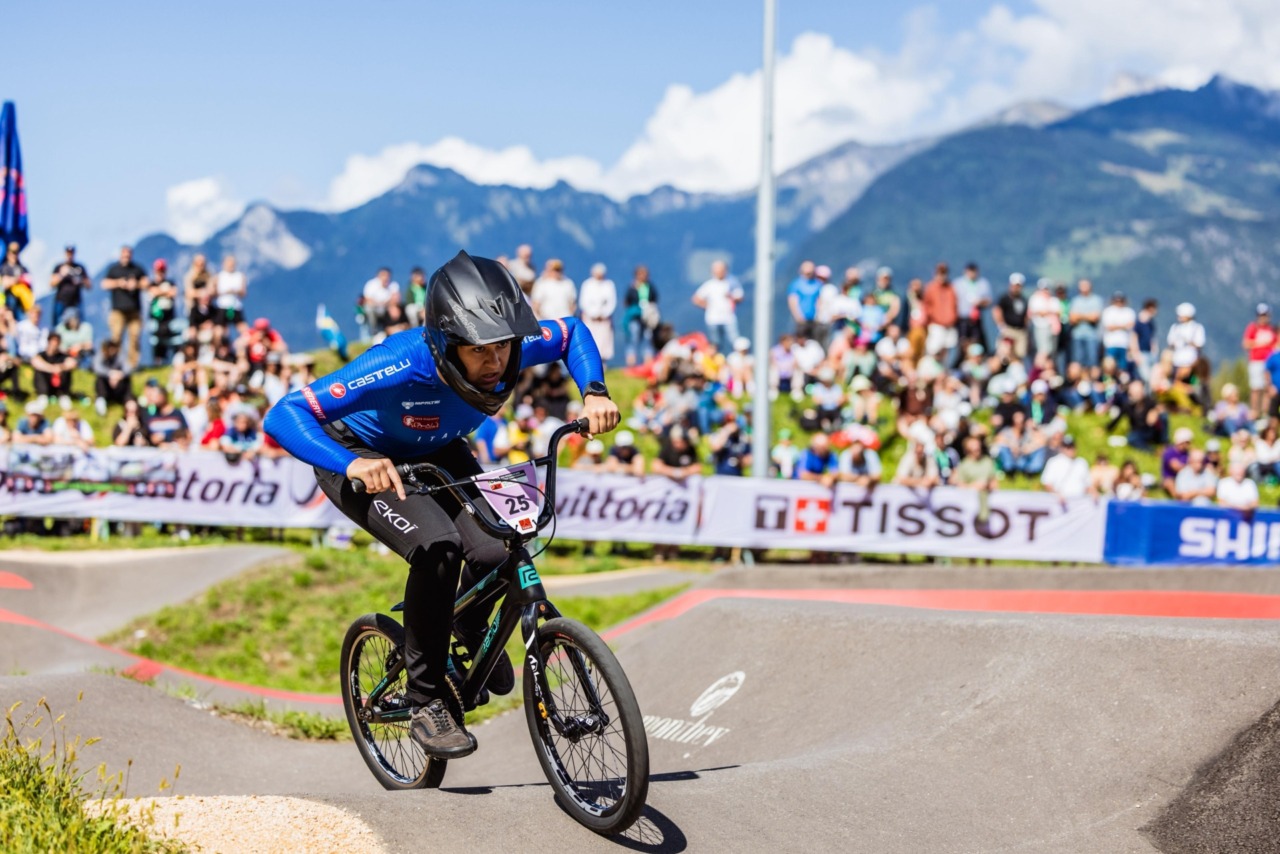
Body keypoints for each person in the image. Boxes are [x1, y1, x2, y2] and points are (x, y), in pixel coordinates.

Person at [264, 251, 619, 761]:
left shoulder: (509, 344)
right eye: (480, 351)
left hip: (441, 449)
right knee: (438, 548)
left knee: (502, 551)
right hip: (362, 457)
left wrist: (595, 391)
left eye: (504, 347)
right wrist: (350, 464)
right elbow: (285, 413)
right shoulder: (401, 361)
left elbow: (572, 333)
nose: (496, 363)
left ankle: (463, 640)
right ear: (446, 344)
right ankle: (425, 700)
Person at [102, 245, 149, 368]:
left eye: (128, 255)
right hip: (118, 311)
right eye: (124, 255)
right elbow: (104, 284)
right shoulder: (114, 269)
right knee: (116, 337)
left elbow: (147, 283)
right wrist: (119, 283)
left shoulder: (137, 269)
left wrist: (136, 284)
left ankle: (132, 366)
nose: (126, 258)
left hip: (134, 311)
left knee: (134, 337)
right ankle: (114, 363)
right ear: (120, 255)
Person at [693, 260, 743, 355]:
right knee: (715, 344)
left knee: (735, 342)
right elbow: (696, 299)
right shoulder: (709, 285)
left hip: (728, 317)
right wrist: (707, 306)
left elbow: (740, 297)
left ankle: (736, 361)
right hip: (713, 319)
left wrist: (731, 297)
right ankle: (718, 363)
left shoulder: (732, 282)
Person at [1243, 304, 1277, 418]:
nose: (1263, 318)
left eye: (1265, 315)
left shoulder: (1272, 329)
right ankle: (1254, 412)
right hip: (1256, 362)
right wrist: (1261, 343)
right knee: (1256, 388)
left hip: (1270, 362)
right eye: (1261, 315)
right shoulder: (1253, 328)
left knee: (1267, 389)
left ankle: (1265, 413)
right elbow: (1246, 344)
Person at [578, 263, 617, 362]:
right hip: (590, 319)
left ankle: (603, 363)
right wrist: (593, 314)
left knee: (604, 343)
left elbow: (612, 302)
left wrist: (604, 314)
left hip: (604, 320)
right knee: (590, 341)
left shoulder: (609, 285)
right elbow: (583, 302)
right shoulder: (587, 285)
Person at [921, 263, 959, 365]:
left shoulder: (951, 288)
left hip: (950, 325)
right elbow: (926, 306)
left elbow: (955, 305)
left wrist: (953, 319)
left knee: (949, 351)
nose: (942, 276)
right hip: (936, 325)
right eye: (940, 273)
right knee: (933, 349)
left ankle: (945, 372)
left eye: (944, 273)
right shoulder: (931, 288)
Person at [621, 265, 659, 366]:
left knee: (648, 338)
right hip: (635, 317)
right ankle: (631, 362)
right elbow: (627, 300)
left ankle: (648, 362)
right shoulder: (632, 287)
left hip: (648, 317)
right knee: (633, 338)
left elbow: (655, 298)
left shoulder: (650, 286)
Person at [953, 262, 991, 356]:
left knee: (977, 342)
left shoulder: (982, 283)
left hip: (976, 319)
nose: (972, 274)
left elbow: (989, 300)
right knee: (963, 343)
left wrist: (980, 302)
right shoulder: (958, 284)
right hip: (962, 319)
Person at [49, 244, 91, 328]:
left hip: (76, 302)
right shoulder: (59, 267)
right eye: (68, 253)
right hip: (61, 301)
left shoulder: (79, 267)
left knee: (79, 326)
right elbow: (51, 284)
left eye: (71, 253)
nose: (70, 256)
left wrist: (80, 281)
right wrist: (61, 275)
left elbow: (89, 285)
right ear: (65, 254)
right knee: (58, 326)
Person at [148, 259, 180, 365]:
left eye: (162, 270)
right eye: (158, 270)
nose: (160, 273)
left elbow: (173, 293)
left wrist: (159, 292)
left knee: (173, 338)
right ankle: (158, 362)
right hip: (156, 318)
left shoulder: (170, 282)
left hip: (169, 317)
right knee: (157, 340)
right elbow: (152, 292)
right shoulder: (152, 283)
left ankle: (172, 360)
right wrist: (166, 292)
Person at [1068, 280, 1103, 369]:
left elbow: (1095, 317)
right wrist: (1088, 316)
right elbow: (1072, 318)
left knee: (1092, 361)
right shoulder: (1075, 300)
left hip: (1092, 335)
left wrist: (1080, 316)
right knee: (1077, 361)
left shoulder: (1096, 300)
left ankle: (1091, 381)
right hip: (1077, 335)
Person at [993, 274, 1029, 360]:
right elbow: (996, 311)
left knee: (1020, 353)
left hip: (1020, 331)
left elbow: (1026, 315)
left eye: (1018, 286)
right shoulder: (1004, 298)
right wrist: (1001, 325)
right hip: (1008, 329)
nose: (1016, 288)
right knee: (1005, 353)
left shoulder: (1024, 300)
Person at [93, 339, 133, 416]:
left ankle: (128, 400)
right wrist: (110, 374)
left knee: (127, 379)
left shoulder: (120, 355)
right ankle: (101, 401)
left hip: (119, 385)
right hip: (106, 386)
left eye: (113, 349)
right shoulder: (100, 355)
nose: (112, 351)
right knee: (100, 379)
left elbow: (128, 367)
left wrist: (120, 375)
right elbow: (96, 367)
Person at [215, 254, 249, 341]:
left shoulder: (240, 276)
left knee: (244, 331)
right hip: (222, 306)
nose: (230, 265)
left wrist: (235, 291)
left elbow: (244, 293)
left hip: (235, 306)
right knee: (220, 331)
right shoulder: (219, 276)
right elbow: (213, 292)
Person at [1100, 291, 1135, 372]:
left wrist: (1116, 326)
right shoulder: (1108, 311)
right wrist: (1123, 326)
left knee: (1122, 367)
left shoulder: (1129, 311)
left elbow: (1131, 325)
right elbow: (1109, 327)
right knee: (1109, 366)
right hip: (1110, 343)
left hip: (1124, 344)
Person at [786, 260, 821, 339]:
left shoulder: (817, 284)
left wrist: (818, 315)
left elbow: (819, 300)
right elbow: (792, 301)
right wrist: (798, 316)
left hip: (814, 320)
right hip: (801, 320)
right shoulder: (796, 285)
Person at [1028, 278, 1060, 362]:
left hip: (1052, 329)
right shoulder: (1035, 298)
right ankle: (1037, 370)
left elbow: (1057, 312)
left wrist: (1046, 312)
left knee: (1051, 351)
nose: (1046, 290)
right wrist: (1049, 312)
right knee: (1043, 351)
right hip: (1040, 327)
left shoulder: (1053, 299)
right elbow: (1038, 312)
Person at [1161, 427, 1195, 496]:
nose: (1188, 445)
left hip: (1185, 479)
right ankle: (1178, 499)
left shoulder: (1187, 453)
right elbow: (1176, 467)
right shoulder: (1169, 452)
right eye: (1187, 442)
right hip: (1172, 479)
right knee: (1169, 482)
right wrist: (1191, 466)